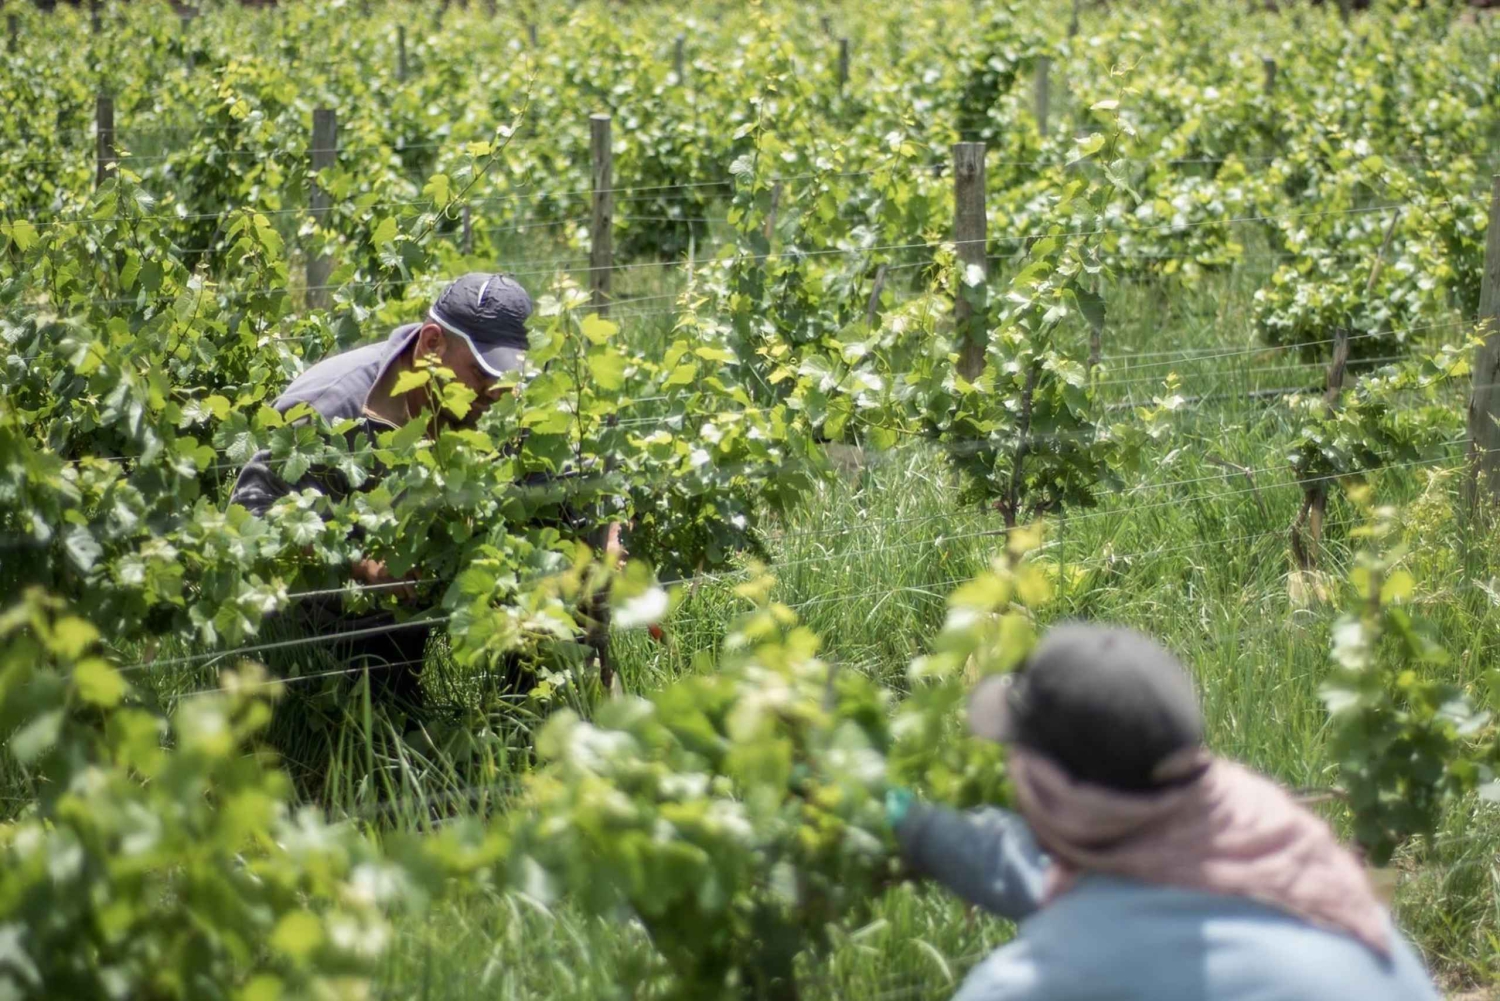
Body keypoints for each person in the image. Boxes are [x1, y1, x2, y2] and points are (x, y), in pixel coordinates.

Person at [889, 623, 1441, 1001]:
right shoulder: (1296, 864)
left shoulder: (1034, 985)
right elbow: (1071, 887)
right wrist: (914, 825)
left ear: (1048, 794)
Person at [229, 272, 535, 707]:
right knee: (374, 710)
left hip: (411, 596)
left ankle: (526, 719)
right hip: (317, 616)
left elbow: (574, 467)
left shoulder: (486, 405)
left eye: (506, 376)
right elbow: (248, 516)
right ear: (432, 343)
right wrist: (356, 562)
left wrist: (610, 527)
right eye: (481, 372)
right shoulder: (330, 408)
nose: (496, 390)